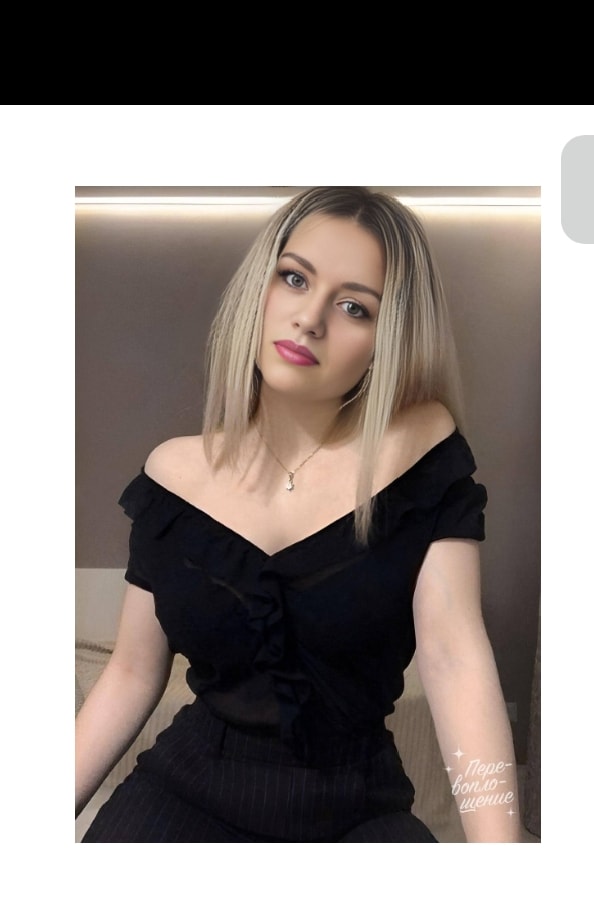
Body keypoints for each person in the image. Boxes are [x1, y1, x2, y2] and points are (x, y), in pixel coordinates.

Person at [76, 186, 522, 843]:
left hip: (356, 809)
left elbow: (455, 658)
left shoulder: (421, 458)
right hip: (184, 793)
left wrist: (503, 865)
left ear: (387, 339)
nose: (310, 319)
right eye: (293, 278)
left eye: (354, 306)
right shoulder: (172, 474)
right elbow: (133, 671)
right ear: (259, 288)